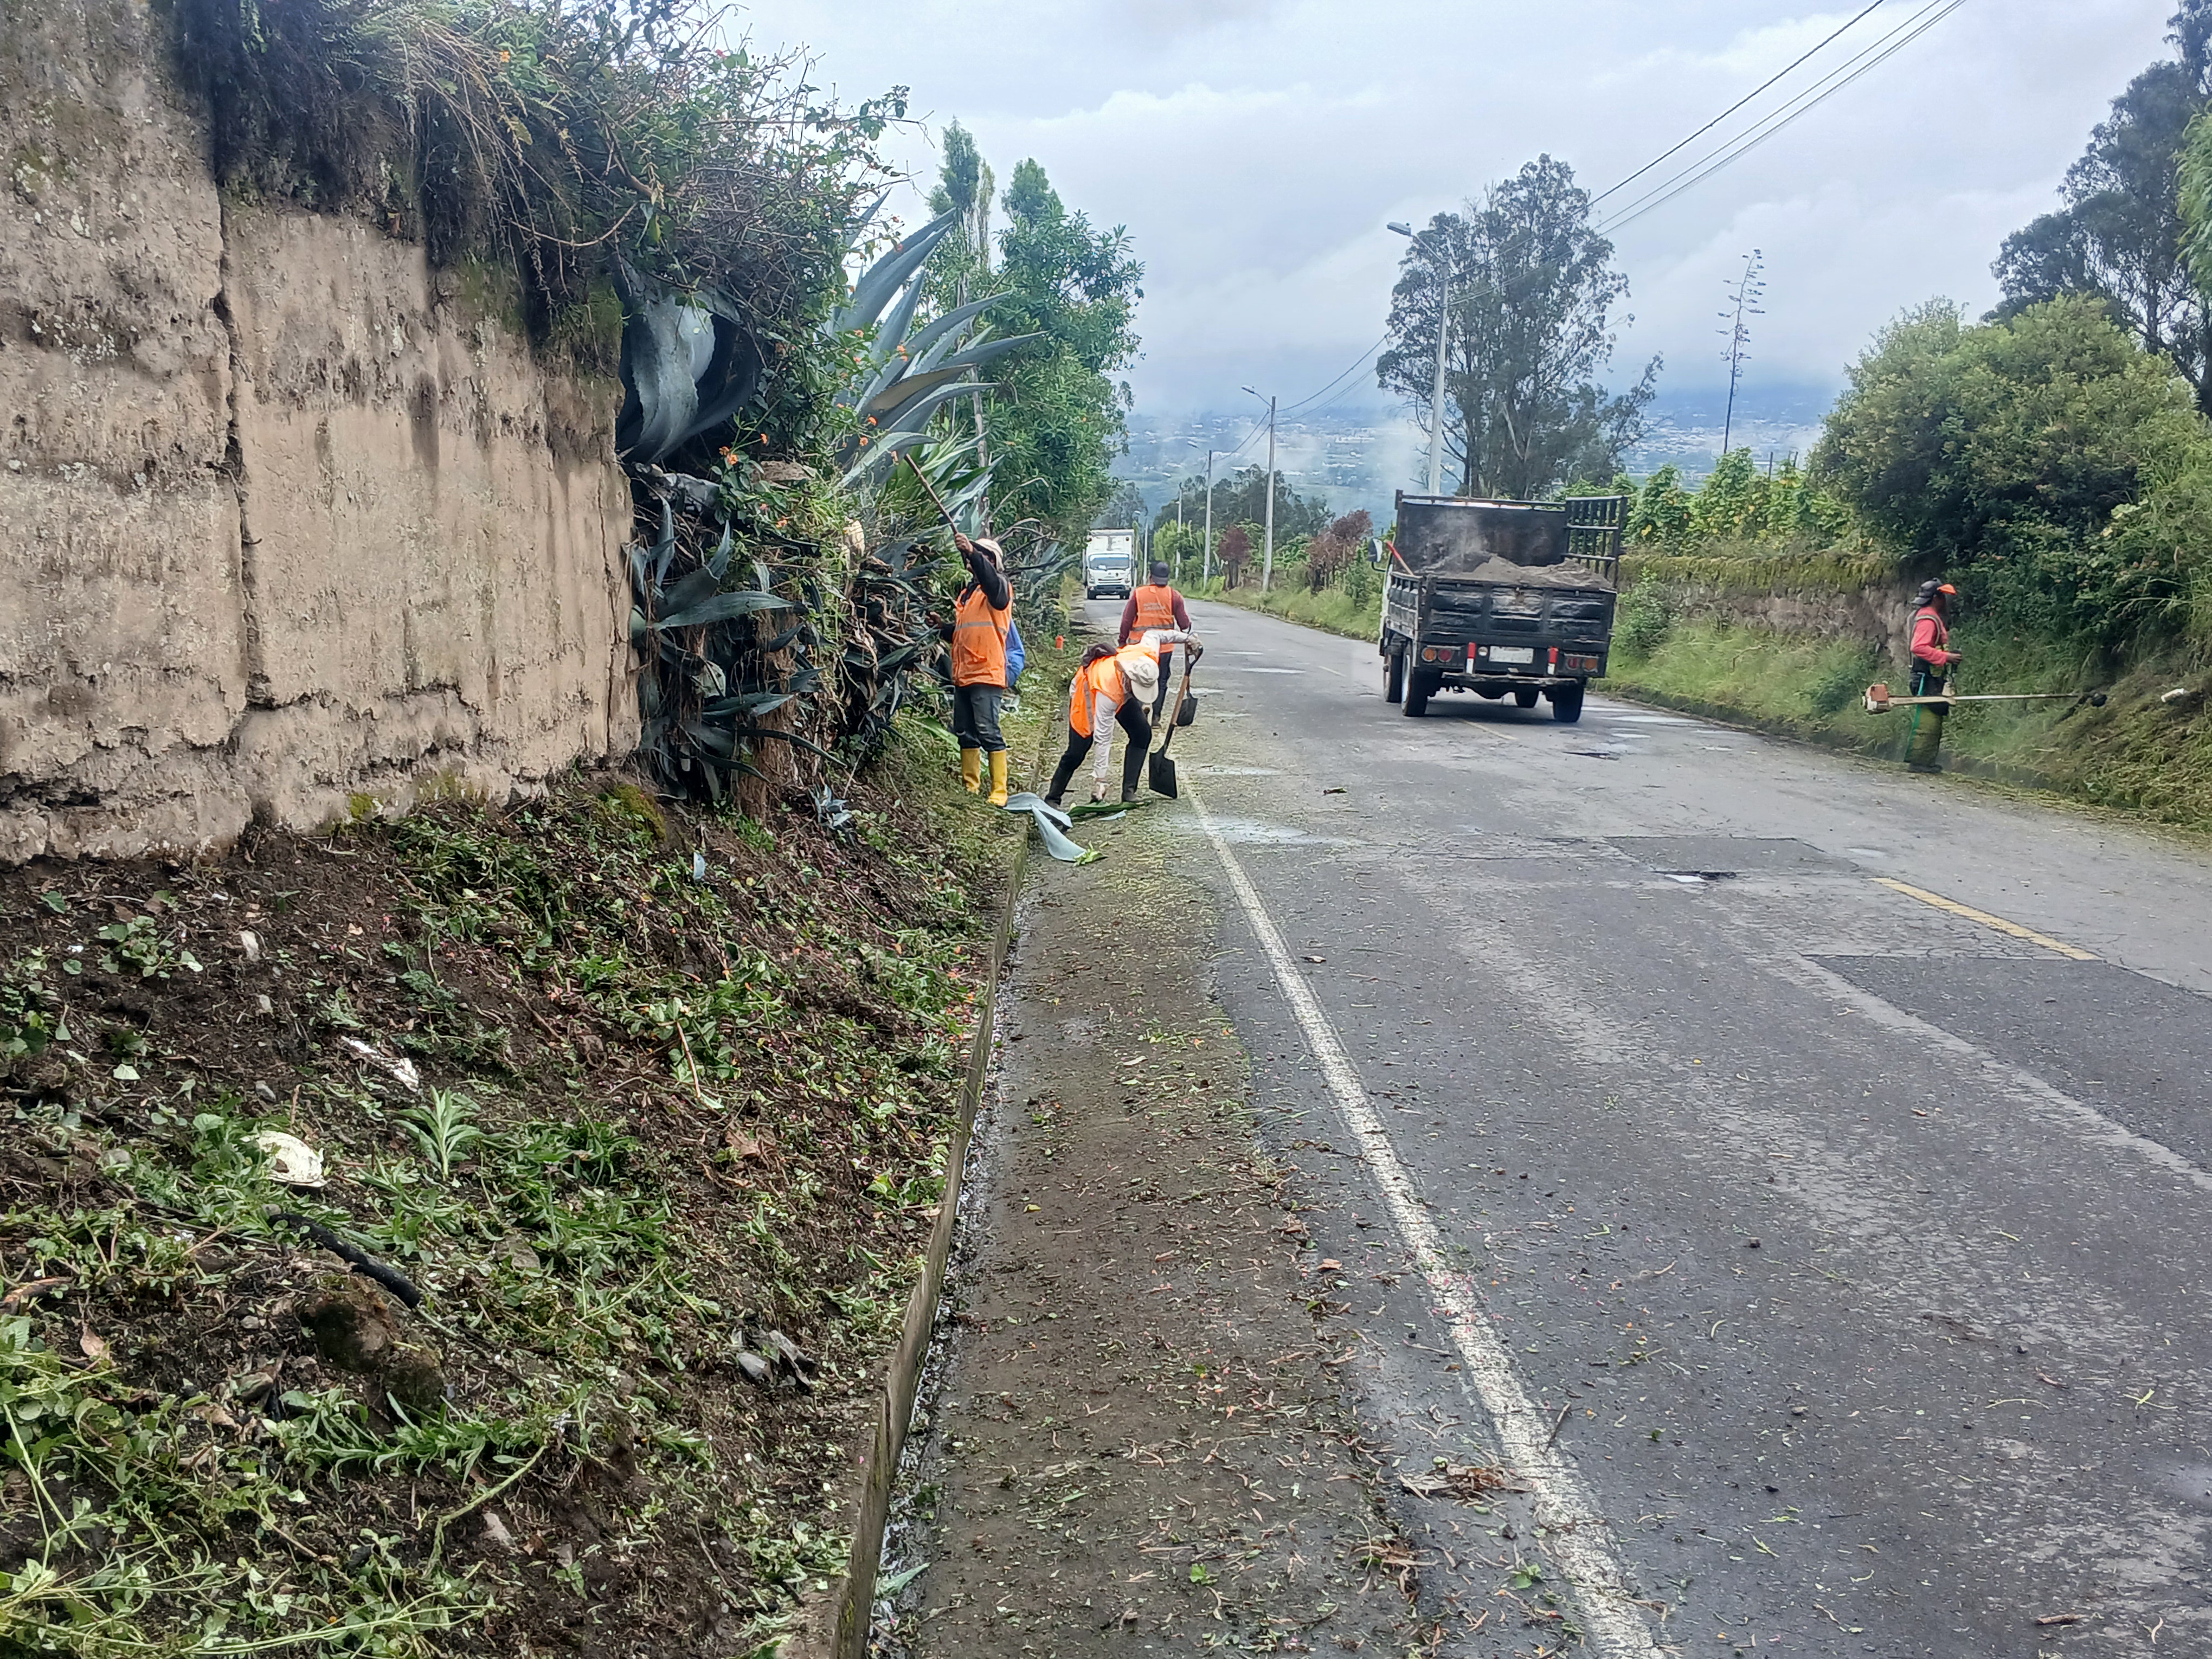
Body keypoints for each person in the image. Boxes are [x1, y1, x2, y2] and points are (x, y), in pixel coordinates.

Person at [1045, 628, 1202, 806]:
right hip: (1089, 693)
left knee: (1142, 733)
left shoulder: (1147, 656)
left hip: (1121, 690)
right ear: (1129, 679)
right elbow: (1103, 738)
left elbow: (1157, 635)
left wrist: (1188, 639)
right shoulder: (1108, 692)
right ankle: (1053, 798)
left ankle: (1129, 792)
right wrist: (1101, 779)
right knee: (1077, 751)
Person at [948, 532, 1014, 806]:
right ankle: (971, 787)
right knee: (965, 732)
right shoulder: (968, 594)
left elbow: (992, 584)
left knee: (988, 731)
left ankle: (999, 791)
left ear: (991, 561)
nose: (969, 559)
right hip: (964, 674)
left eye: (978, 555)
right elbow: (965, 632)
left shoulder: (999, 588)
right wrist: (942, 627)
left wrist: (973, 553)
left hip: (986, 672)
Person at [1119, 561, 1192, 721]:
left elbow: (1127, 620)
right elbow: (1184, 624)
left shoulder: (1139, 594)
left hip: (1139, 648)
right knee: (1161, 680)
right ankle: (1156, 717)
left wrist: (1122, 641)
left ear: (1150, 576)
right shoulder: (1174, 596)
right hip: (1163, 649)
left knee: (1138, 678)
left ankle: (1140, 714)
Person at [1905, 579, 1961, 774]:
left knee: (1934, 718)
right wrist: (1947, 657)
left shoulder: (1925, 616)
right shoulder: (1929, 620)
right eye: (1943, 597)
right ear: (1936, 598)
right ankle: (1920, 763)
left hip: (1929, 675)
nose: (1945, 601)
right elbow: (1919, 647)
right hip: (1926, 676)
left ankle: (1925, 761)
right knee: (1928, 721)